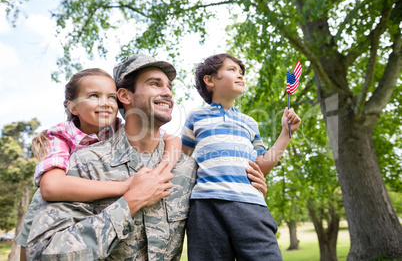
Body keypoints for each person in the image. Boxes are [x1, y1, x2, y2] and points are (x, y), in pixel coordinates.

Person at [25, 54, 270, 260]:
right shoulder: (83, 162)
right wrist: (129, 203)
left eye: (169, 87)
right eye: (155, 84)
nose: (167, 93)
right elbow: (44, 253)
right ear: (125, 96)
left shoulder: (188, 169)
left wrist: (251, 189)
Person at [16, 68, 181, 260]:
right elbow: (51, 188)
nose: (105, 103)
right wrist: (125, 187)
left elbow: (172, 140)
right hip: (56, 201)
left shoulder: (118, 128)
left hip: (93, 206)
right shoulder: (60, 134)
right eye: (94, 96)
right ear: (73, 107)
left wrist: (165, 167)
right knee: (29, 249)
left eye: (111, 97)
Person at [181, 53, 301, 260]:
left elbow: (261, 166)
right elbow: (182, 160)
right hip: (206, 207)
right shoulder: (195, 117)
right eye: (232, 70)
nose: (240, 76)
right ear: (209, 80)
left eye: (241, 72)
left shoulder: (250, 123)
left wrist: (286, 133)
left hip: (250, 206)